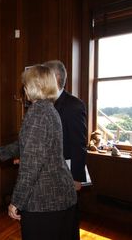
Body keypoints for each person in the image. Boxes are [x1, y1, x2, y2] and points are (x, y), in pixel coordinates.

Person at [0, 65, 77, 239]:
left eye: (25, 85)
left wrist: (16, 201)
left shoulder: (36, 113)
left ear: (32, 87)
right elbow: (28, 144)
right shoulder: (48, 109)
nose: (23, 89)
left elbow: (31, 166)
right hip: (60, 196)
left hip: (44, 201)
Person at [43, 60, 88, 240]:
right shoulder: (44, 103)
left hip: (67, 173)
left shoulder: (73, 105)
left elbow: (79, 145)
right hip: (47, 174)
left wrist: (77, 178)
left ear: (56, 78)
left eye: (45, 75)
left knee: (68, 222)